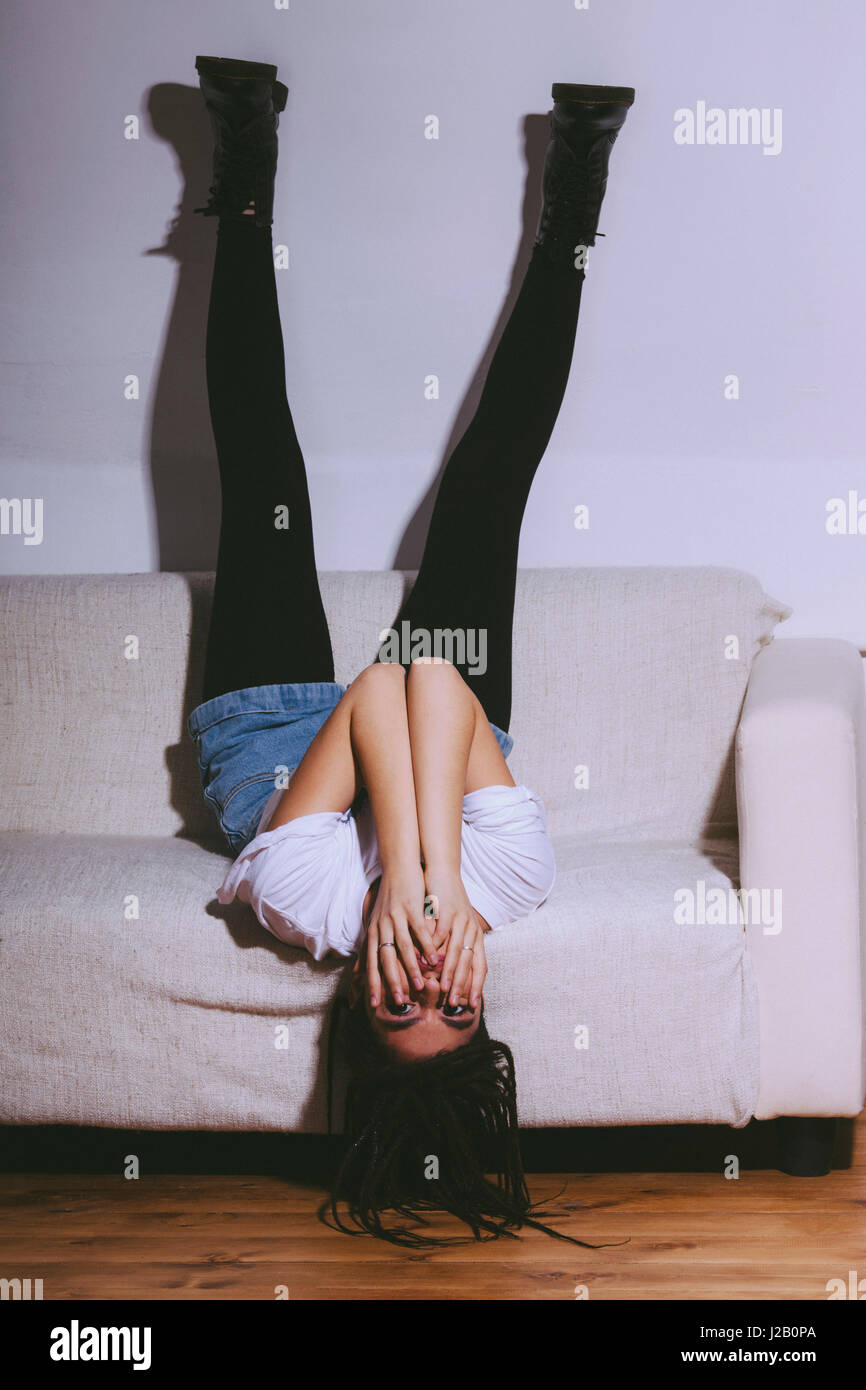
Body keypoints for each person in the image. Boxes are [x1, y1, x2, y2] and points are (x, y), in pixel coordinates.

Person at [187, 54, 634, 1247]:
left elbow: (386, 685)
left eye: (398, 998)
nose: (423, 969)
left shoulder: (299, 902)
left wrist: (395, 871)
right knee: (489, 490)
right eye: (449, 999)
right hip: (435, 728)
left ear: (352, 996)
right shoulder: (512, 883)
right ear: (479, 997)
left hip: (273, 723)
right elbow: (421, 679)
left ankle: (242, 177)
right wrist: (431, 862)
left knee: (259, 469)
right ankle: (578, 201)